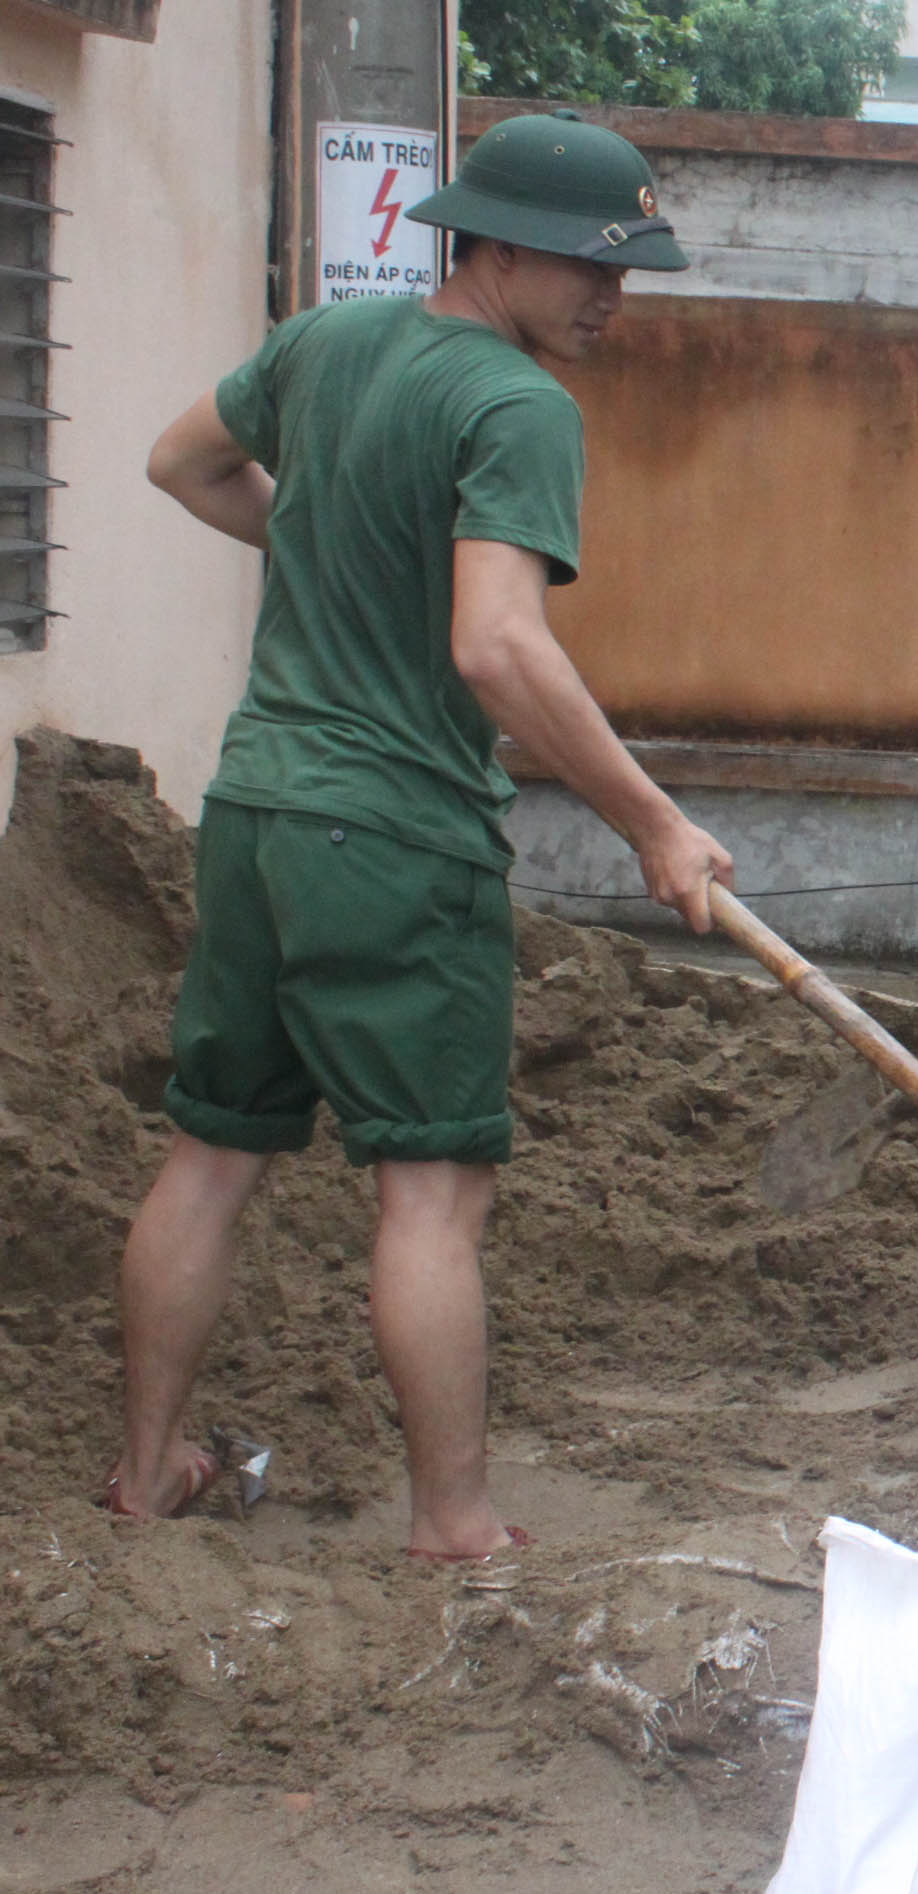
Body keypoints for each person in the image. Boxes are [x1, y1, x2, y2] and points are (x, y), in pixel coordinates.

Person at [118, 111, 733, 1558]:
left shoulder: (322, 349)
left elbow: (180, 464)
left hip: (259, 812)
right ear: (496, 240)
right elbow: (499, 651)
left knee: (210, 1154)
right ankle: (453, 1520)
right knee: (433, 1197)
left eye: (629, 269)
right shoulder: (517, 406)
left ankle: (146, 1476)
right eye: (593, 265)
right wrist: (654, 824)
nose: (613, 296)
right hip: (396, 839)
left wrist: (335, 541)